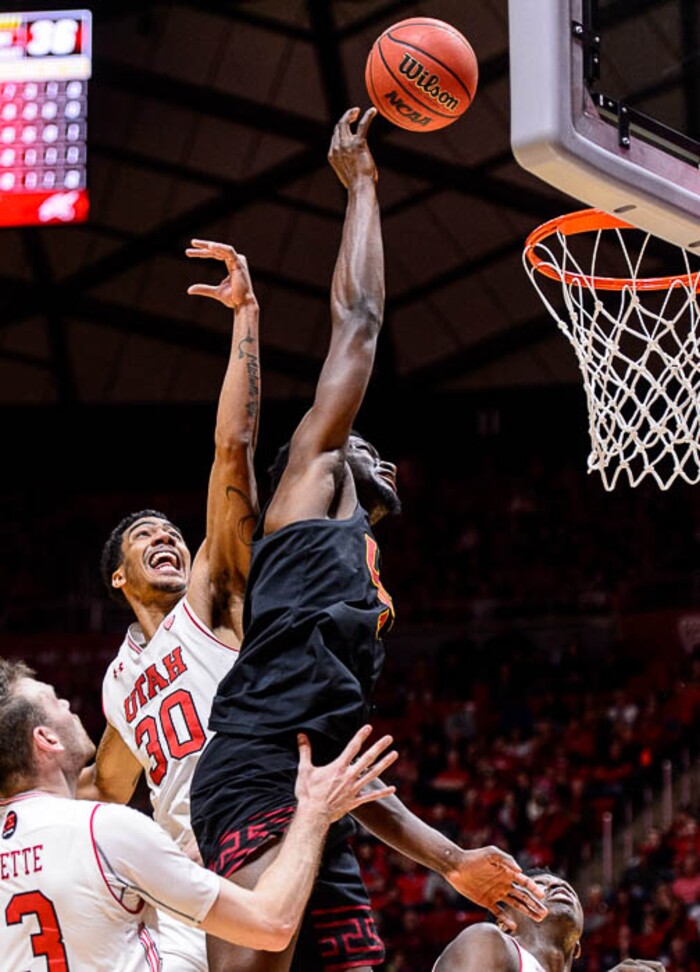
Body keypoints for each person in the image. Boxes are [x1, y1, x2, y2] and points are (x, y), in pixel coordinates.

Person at [190, 105, 546, 972]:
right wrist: (363, 188)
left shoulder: (356, 574)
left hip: (318, 786)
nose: (379, 449)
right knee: (259, 957)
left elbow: (352, 772)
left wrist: (454, 861)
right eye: (365, 440)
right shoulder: (310, 482)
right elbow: (358, 324)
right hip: (254, 766)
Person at [78, 238, 262, 969]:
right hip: (183, 883)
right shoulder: (118, 681)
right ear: (118, 579)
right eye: (144, 536)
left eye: (173, 533)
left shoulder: (211, 599)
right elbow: (104, 783)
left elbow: (230, 451)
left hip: (253, 836)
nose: (167, 538)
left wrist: (246, 317)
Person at [0, 657, 398, 971]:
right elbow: (271, 924)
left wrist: (179, 858)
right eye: (55, 700)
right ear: (46, 738)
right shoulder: (103, 828)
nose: (68, 705)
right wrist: (313, 810)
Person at [431, 868, 665, 972]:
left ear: (577, 947)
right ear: (504, 922)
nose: (556, 885)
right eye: (538, 886)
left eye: (567, 889)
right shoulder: (485, 941)